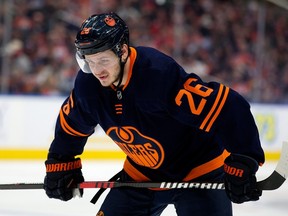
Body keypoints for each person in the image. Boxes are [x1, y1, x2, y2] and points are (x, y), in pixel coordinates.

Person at [43, 12, 265, 216]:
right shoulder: (89, 84)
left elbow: (228, 106)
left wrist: (244, 159)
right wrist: (61, 162)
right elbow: (71, 122)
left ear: (122, 51)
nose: (97, 70)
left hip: (198, 171)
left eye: (103, 60)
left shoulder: (156, 75)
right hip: (143, 173)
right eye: (90, 62)